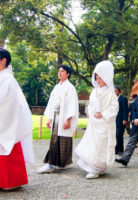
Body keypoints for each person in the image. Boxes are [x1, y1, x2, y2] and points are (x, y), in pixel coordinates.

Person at [75, 60, 119, 179]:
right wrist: (89, 113)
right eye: (97, 78)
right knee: (92, 145)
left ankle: (97, 169)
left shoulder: (111, 92)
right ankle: (94, 167)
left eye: (101, 78)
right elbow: (90, 105)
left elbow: (114, 108)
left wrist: (103, 114)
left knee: (101, 146)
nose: (98, 81)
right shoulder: (94, 91)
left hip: (104, 124)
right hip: (93, 123)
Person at [0, 48, 34, 190]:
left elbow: (8, 101)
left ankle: (11, 182)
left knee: (8, 147)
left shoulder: (8, 78)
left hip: (7, 120)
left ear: (3, 60)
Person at [38, 65, 79, 173]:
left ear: (68, 74)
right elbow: (51, 103)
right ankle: (51, 163)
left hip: (64, 116)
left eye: (62, 71)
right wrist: (50, 119)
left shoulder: (70, 88)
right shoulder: (56, 87)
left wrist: (68, 119)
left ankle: (64, 163)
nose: (59, 73)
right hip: (56, 116)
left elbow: (72, 105)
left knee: (64, 139)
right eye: (59, 71)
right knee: (55, 139)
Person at [114, 85, 128, 156]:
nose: (114, 92)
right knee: (114, 135)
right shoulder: (112, 99)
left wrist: (125, 119)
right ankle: (116, 149)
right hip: (113, 119)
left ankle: (120, 150)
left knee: (119, 134)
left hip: (120, 119)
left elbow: (125, 110)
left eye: (116, 91)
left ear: (119, 91)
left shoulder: (123, 99)